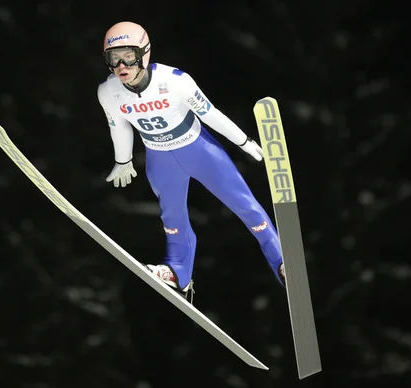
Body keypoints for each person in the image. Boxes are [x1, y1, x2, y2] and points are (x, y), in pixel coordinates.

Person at [96, 21, 285, 299]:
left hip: (199, 151)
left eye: (128, 56)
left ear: (144, 53)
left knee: (245, 205)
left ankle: (281, 261)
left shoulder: (175, 82)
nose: (121, 65)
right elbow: (119, 126)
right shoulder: (108, 92)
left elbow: (211, 114)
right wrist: (123, 161)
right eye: (113, 58)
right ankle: (178, 271)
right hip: (160, 159)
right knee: (172, 218)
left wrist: (244, 141)